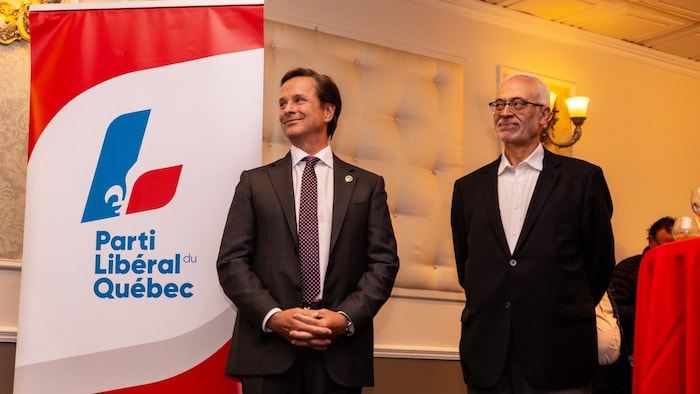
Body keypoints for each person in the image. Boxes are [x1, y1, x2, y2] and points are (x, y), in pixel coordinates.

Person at [216, 67, 399, 394]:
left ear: (328, 111)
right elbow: (232, 262)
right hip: (267, 352)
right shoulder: (254, 183)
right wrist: (274, 316)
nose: (287, 109)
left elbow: (383, 264)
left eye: (299, 99)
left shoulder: (367, 186)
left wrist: (344, 318)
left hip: (339, 354)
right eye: (282, 102)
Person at [450, 73, 616, 393]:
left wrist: (561, 307)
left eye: (518, 103)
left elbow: (599, 265)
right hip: (487, 355)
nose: (504, 112)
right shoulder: (468, 188)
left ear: (544, 115)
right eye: (499, 104)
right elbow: (467, 265)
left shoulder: (582, 180)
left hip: (559, 353)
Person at [610, 216, 675, 365]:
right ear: (651, 241)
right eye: (665, 247)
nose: (670, 253)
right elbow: (614, 310)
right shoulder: (629, 269)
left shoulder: (681, 271)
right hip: (637, 352)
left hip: (670, 349)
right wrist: (650, 314)